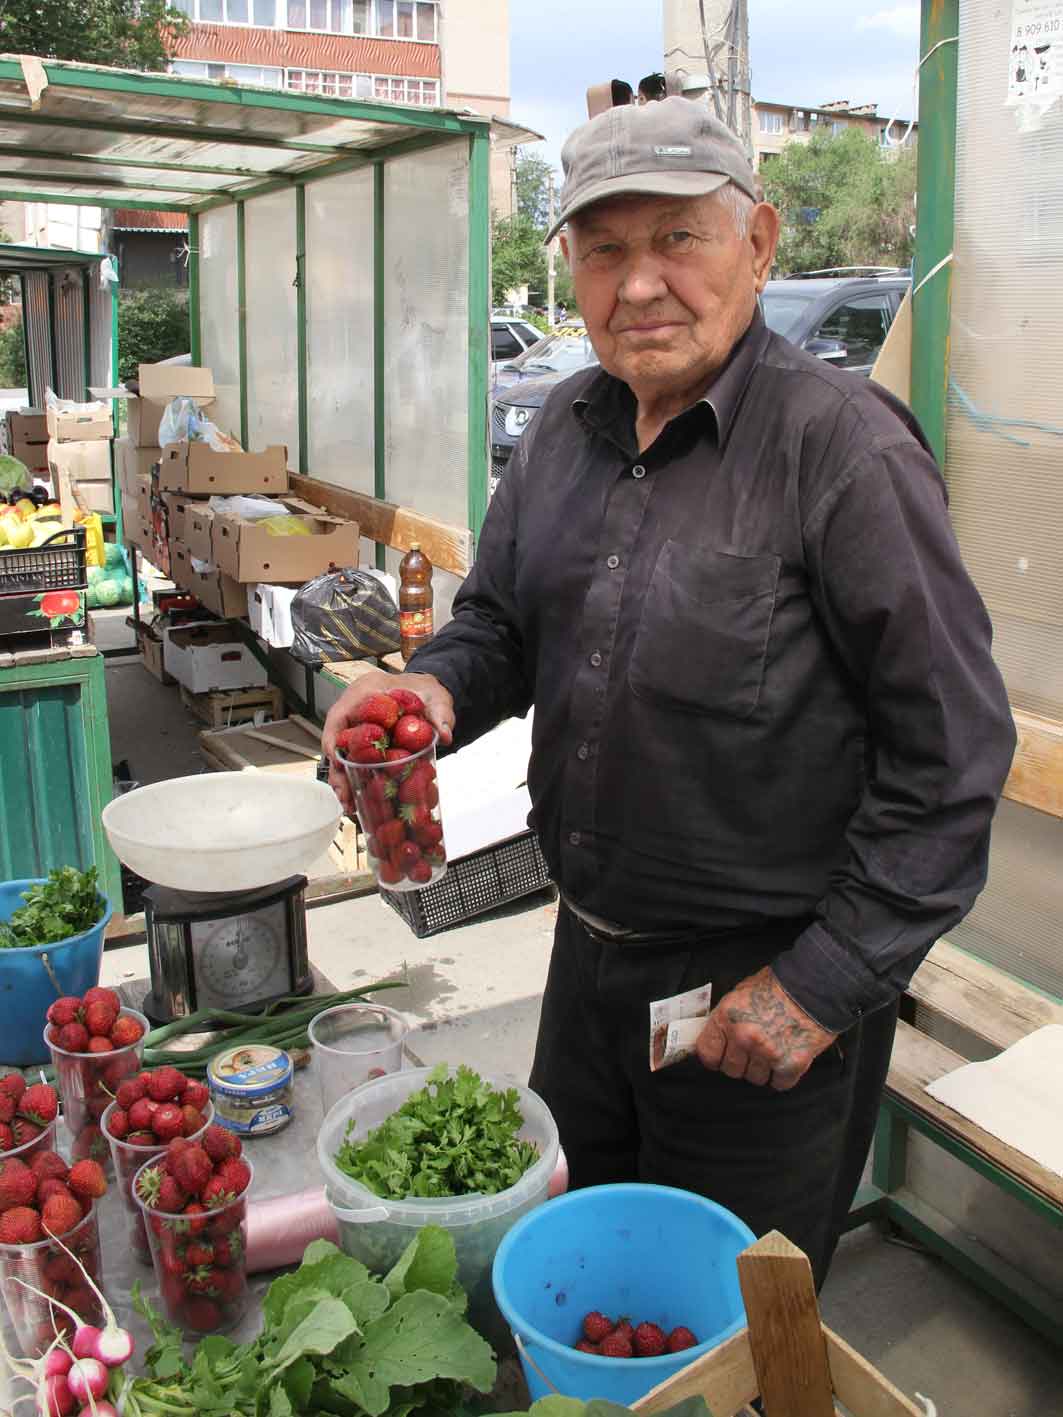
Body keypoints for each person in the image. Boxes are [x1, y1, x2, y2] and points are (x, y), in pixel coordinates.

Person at [324, 97, 1016, 1287]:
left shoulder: (842, 452)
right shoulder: (560, 432)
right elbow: (498, 621)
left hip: (760, 999)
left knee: (722, 1324)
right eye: (604, 249)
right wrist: (434, 693)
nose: (638, 283)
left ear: (759, 241)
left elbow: (950, 758)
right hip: (585, 966)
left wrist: (819, 987)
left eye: (676, 239)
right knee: (580, 1279)